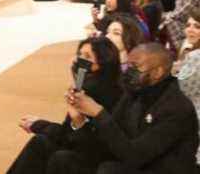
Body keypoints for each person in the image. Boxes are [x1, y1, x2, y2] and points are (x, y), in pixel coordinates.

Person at [68, 43, 199, 174]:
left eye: (135, 67)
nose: (128, 72)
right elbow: (106, 146)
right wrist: (79, 121)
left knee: (109, 170)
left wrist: (99, 113)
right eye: (128, 66)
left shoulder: (177, 107)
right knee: (64, 160)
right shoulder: (133, 95)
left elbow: (135, 156)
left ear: (157, 72)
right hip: (132, 166)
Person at [7, 37, 122, 174]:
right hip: (82, 150)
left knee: (61, 158)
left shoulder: (109, 95)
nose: (79, 60)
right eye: (79, 54)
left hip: (100, 162)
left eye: (87, 56)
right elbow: (67, 135)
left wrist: (76, 120)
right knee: (41, 143)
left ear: (102, 62)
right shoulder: (85, 89)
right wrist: (39, 125)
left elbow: (89, 146)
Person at [177, 9, 200, 165]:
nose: (190, 29)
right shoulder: (189, 49)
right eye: (188, 25)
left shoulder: (195, 56)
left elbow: (182, 87)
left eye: (197, 26)